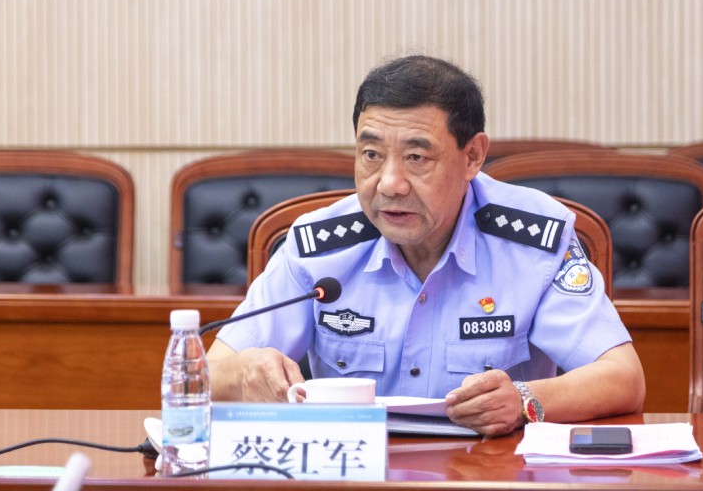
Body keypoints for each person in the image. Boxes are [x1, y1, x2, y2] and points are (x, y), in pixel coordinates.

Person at [207, 55, 645, 437]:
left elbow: (623, 378)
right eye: (371, 155)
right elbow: (209, 373)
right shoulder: (318, 246)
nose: (390, 184)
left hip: (487, 474)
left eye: (416, 158)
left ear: (472, 156)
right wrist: (246, 373)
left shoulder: (532, 242)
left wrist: (523, 400)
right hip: (355, 474)